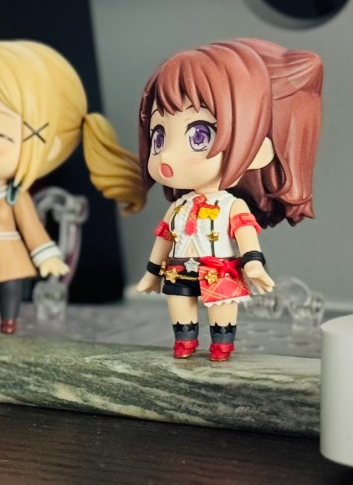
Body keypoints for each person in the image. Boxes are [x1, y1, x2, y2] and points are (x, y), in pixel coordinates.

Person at [0, 41, 146, 334]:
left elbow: (32, 229)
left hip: (6, 251)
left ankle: (8, 319)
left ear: (53, 145)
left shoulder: (14, 196)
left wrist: (46, 256)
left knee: (10, 286)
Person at [132, 39, 322, 361]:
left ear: (258, 149)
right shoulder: (178, 208)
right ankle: (185, 342)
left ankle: (222, 345)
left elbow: (245, 236)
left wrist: (254, 264)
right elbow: (164, 238)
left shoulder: (231, 206)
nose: (166, 155)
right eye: (159, 136)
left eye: (199, 135)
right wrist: (152, 273)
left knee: (221, 310)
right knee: (180, 307)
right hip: (179, 269)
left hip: (219, 270)